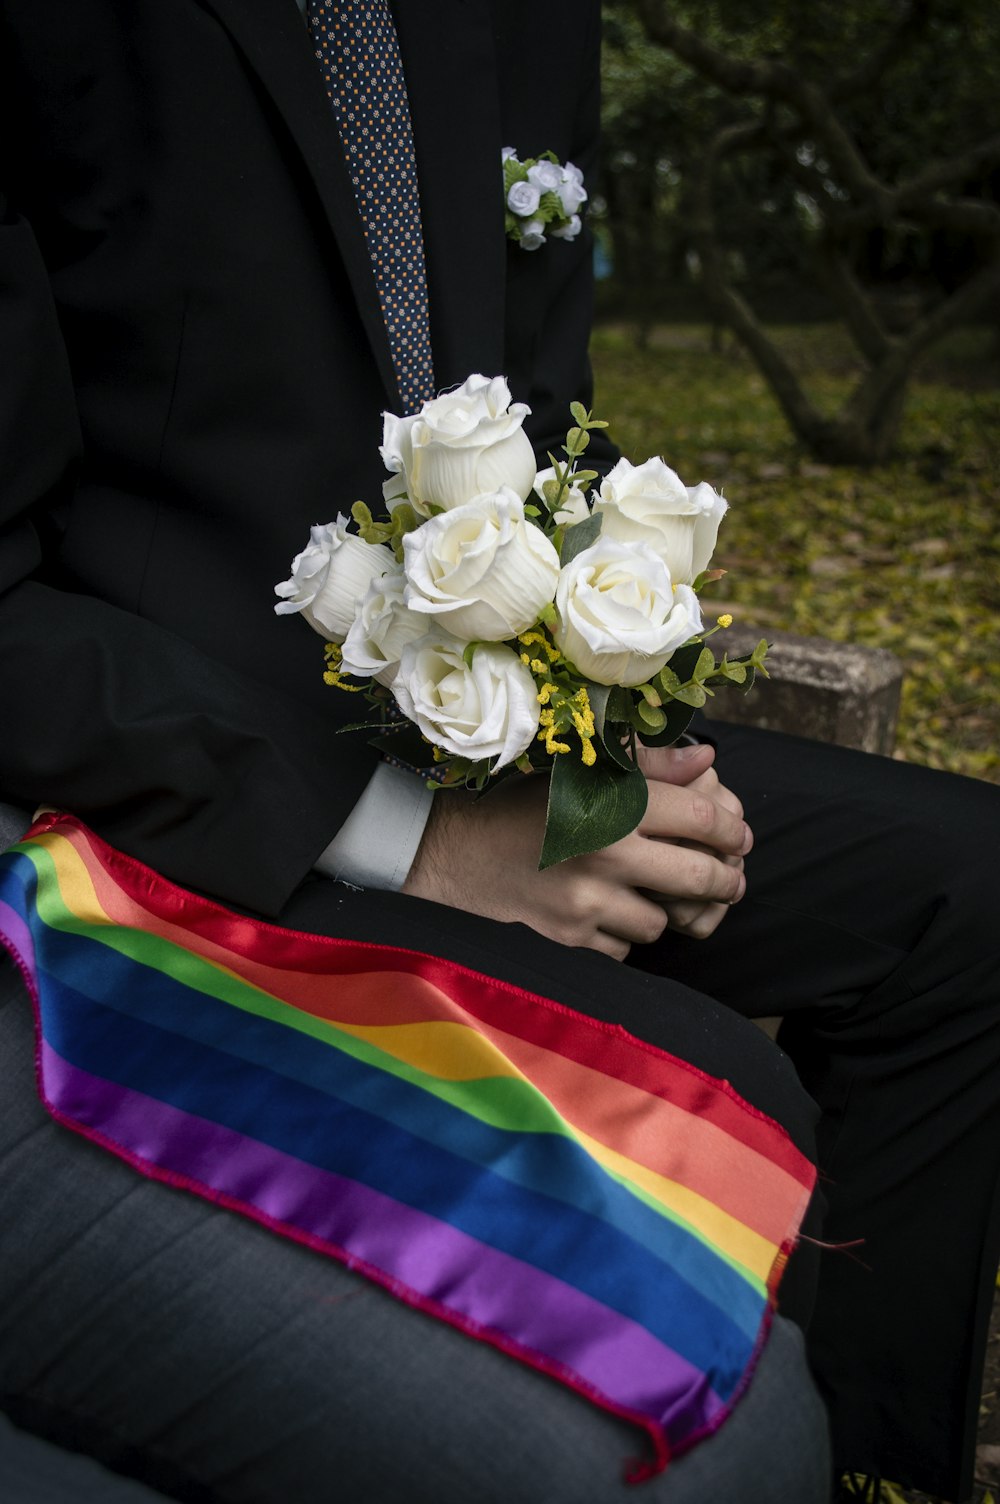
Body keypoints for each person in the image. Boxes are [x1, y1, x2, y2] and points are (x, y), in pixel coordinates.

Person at [0, 2, 995, 1501]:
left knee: (960, 895)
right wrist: (412, 836)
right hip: (176, 792)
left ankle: (881, 1477)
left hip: (487, 730)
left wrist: (606, 743)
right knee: (722, 1096)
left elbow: (536, 440)